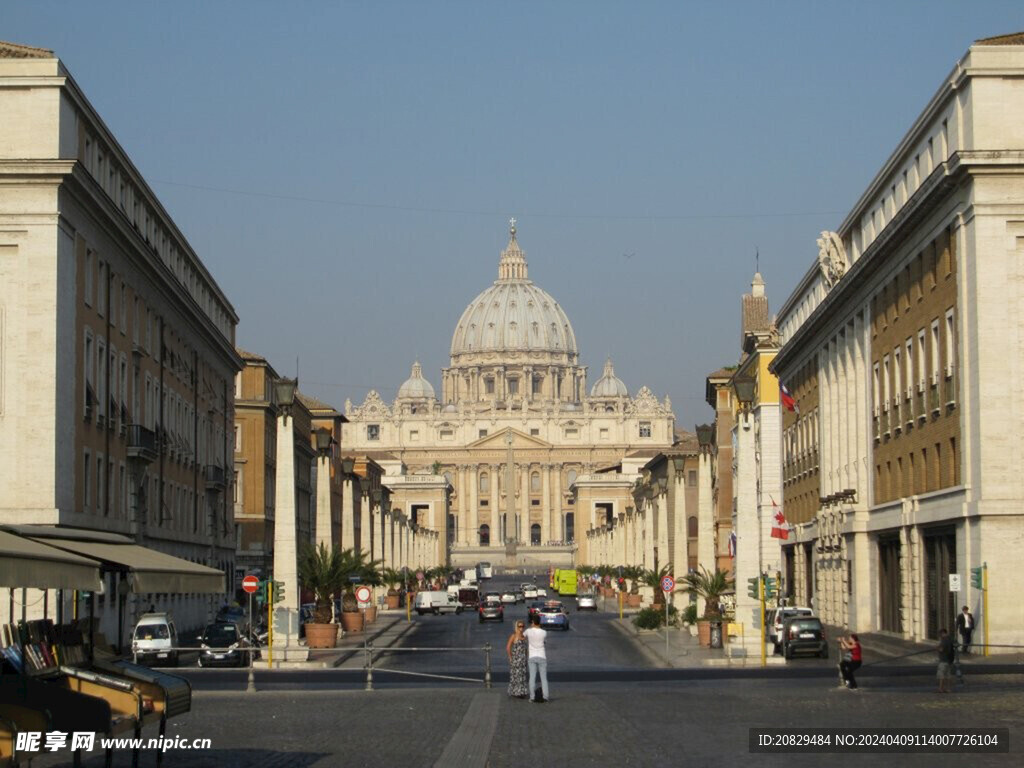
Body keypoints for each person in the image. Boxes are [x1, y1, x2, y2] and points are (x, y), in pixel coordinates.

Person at [524, 614, 549, 703]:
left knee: (532, 678)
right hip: (542, 656)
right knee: (543, 678)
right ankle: (545, 696)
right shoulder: (544, 632)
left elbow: (522, 637)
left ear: (533, 622)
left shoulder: (528, 631)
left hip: (532, 656)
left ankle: (532, 697)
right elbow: (544, 642)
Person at [505, 621, 529, 699]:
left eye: (522, 626)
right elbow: (508, 647)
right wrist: (510, 657)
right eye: (519, 626)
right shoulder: (513, 636)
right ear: (516, 627)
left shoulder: (524, 637)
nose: (521, 628)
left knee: (522, 676)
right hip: (516, 659)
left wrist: (527, 657)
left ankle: (522, 691)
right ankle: (516, 692)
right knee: (516, 676)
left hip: (523, 660)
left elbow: (526, 649)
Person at [937, 628, 956, 693]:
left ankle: (941, 688)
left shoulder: (944, 640)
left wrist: (937, 648)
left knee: (941, 675)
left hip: (943, 659)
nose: (940, 636)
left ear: (942, 633)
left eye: (940, 634)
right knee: (948, 675)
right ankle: (948, 689)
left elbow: (941, 649)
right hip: (949, 659)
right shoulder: (950, 639)